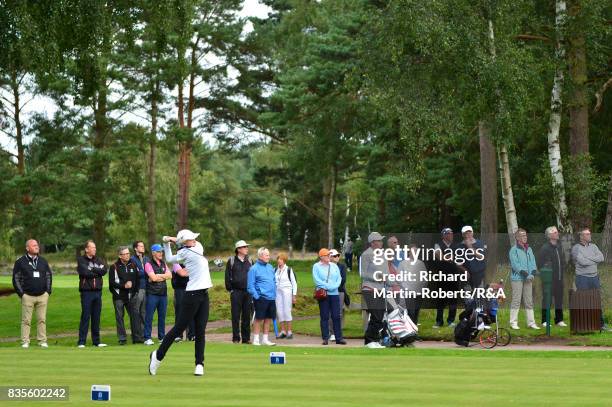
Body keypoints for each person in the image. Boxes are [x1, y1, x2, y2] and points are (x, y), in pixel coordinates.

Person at [149, 229, 213, 377]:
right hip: (191, 295)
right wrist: (168, 244)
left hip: (204, 294)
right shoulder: (186, 253)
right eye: (190, 239)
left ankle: (199, 363)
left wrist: (169, 240)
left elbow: (173, 256)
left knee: (200, 330)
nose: (193, 240)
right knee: (179, 328)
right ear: (185, 242)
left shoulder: (197, 246)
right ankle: (158, 356)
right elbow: (170, 259)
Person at [12, 239, 52, 348]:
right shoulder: (20, 262)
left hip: (42, 295)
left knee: (42, 320)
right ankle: (25, 341)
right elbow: (16, 279)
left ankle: (42, 341)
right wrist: (22, 294)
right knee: (26, 321)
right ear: (27, 248)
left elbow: (48, 276)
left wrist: (48, 292)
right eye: (34, 245)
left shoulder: (43, 261)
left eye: (37, 245)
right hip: (27, 296)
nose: (37, 247)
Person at [571, 227, 609, 331]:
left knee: (596, 301)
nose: (590, 235)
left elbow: (601, 258)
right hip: (582, 278)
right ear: (582, 236)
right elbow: (582, 263)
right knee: (584, 301)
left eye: (590, 234)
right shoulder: (576, 248)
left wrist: (588, 258)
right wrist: (593, 259)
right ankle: (584, 325)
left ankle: (601, 324)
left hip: (594, 278)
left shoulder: (594, 246)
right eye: (587, 234)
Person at [77, 240, 108, 347]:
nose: (94, 249)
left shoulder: (98, 259)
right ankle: (81, 341)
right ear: (86, 249)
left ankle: (96, 341)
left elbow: (104, 270)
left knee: (96, 317)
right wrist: (97, 271)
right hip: (87, 292)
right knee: (85, 316)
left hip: (97, 292)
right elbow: (85, 272)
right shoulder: (81, 260)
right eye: (92, 247)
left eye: (95, 247)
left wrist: (93, 269)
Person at [314, 248, 347, 345]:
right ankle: (325, 338)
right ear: (321, 257)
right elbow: (317, 280)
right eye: (327, 255)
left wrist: (334, 287)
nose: (329, 257)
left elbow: (339, 278)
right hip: (324, 294)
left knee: (336, 316)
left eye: (330, 255)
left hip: (334, 293)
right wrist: (328, 287)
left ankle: (339, 338)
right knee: (324, 316)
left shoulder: (334, 266)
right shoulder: (316, 266)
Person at [361, 232, 387, 349]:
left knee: (380, 316)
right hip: (370, 288)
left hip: (380, 289)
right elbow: (363, 273)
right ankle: (369, 340)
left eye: (381, 240)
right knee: (376, 315)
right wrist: (377, 276)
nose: (381, 242)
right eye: (379, 240)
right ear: (373, 242)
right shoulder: (366, 254)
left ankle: (374, 340)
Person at [509, 228, 539, 330]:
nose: (525, 237)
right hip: (517, 278)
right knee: (516, 300)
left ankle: (531, 323)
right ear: (517, 238)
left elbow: (533, 262)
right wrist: (526, 274)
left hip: (528, 278)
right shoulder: (513, 250)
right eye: (522, 235)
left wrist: (533, 273)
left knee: (529, 301)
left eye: (525, 235)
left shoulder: (529, 249)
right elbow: (515, 265)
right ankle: (513, 322)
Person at [108, 246, 139, 345]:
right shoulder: (114, 266)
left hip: (131, 295)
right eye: (124, 254)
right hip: (119, 296)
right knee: (120, 317)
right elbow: (112, 283)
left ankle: (136, 338)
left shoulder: (133, 265)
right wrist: (124, 286)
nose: (127, 255)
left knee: (134, 316)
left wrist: (135, 290)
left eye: (128, 253)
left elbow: (137, 279)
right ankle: (122, 338)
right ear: (120, 256)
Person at [537, 226, 567, 327]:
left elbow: (562, 261)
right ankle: (545, 320)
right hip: (549, 280)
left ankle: (559, 320)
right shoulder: (544, 248)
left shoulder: (559, 246)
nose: (557, 233)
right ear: (549, 236)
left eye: (557, 232)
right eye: (554, 232)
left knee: (559, 300)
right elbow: (540, 264)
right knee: (547, 300)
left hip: (559, 278)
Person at [247, 247, 277, 346]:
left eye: (269, 255)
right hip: (260, 297)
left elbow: (273, 281)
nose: (269, 257)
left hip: (271, 297)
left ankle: (265, 339)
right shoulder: (253, 268)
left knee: (268, 318)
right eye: (266, 255)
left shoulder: (270, 267)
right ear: (260, 256)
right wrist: (257, 296)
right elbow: (250, 286)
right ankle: (256, 340)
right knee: (258, 319)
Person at [224, 240, 253, 344]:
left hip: (248, 292)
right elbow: (227, 276)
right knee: (235, 316)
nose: (246, 249)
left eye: (246, 247)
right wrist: (230, 289)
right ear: (238, 249)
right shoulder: (231, 261)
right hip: (236, 292)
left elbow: (253, 275)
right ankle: (236, 338)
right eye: (244, 247)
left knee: (246, 316)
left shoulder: (249, 260)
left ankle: (246, 338)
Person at [144, 244, 172, 345]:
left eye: (161, 251)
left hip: (163, 294)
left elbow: (170, 275)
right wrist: (159, 277)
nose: (161, 253)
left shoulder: (163, 263)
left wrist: (159, 275)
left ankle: (161, 337)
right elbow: (153, 278)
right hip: (152, 294)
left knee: (162, 316)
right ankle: (147, 338)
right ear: (153, 253)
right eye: (159, 252)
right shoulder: (148, 264)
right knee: (149, 316)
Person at [432, 228, 460, 328]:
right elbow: (439, 256)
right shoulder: (437, 245)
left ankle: (451, 321)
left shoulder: (456, 246)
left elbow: (458, 259)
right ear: (443, 235)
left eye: (452, 233)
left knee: (453, 299)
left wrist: (448, 257)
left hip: (454, 276)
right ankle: (439, 321)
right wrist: (449, 257)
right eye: (448, 234)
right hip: (442, 276)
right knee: (441, 299)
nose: (451, 235)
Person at [275, 252, 297, 339]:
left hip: (287, 291)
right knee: (279, 311)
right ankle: (283, 331)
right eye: (278, 259)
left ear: (284, 260)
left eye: (281, 259)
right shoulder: (275, 270)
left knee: (287, 310)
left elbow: (294, 283)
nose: (279, 261)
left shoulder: (289, 269)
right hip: (278, 292)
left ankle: (289, 331)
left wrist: (294, 295)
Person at [130, 240, 149, 343]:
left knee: (144, 312)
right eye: (140, 246)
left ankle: (144, 336)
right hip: (137, 289)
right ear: (135, 248)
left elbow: (150, 271)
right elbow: (138, 274)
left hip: (147, 288)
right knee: (136, 312)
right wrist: (146, 272)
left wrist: (145, 272)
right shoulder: (132, 260)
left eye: (143, 246)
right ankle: (136, 337)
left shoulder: (146, 259)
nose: (143, 247)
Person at [171, 262, 195, 342]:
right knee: (180, 313)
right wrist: (188, 270)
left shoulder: (189, 262)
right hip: (179, 289)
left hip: (189, 289)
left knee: (191, 312)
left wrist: (187, 270)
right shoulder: (176, 264)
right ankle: (178, 335)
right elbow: (182, 274)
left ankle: (191, 335)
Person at [328, 248, 347, 338]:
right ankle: (331, 333)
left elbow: (343, 280)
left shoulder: (342, 266)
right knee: (330, 313)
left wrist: (334, 286)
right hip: (329, 292)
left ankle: (337, 333)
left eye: (338, 255)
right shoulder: (326, 266)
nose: (337, 257)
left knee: (338, 313)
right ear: (330, 257)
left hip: (339, 291)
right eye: (335, 256)